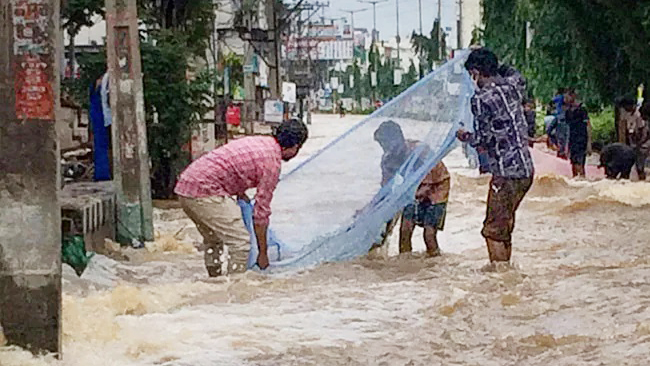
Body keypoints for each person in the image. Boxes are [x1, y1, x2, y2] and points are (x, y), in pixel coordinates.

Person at [174, 118, 309, 276]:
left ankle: (213, 282)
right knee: (240, 243)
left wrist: (240, 192)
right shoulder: (272, 164)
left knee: (214, 240)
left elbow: (231, 164)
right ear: (294, 146)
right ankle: (234, 290)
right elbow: (261, 214)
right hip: (204, 191)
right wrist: (263, 253)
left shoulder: (260, 141)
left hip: (186, 186)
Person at [457, 48, 534, 264]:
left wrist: (465, 136)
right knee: (504, 226)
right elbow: (513, 71)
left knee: (492, 232)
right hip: (526, 171)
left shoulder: (481, 99)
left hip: (505, 173)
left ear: (475, 73)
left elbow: (483, 140)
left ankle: (501, 281)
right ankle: (507, 277)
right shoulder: (513, 85)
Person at [400, 162, 450, 257]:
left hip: (437, 192)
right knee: (405, 230)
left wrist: (417, 193)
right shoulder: (397, 156)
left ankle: (434, 262)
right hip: (414, 190)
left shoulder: (429, 156)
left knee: (429, 234)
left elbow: (429, 184)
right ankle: (404, 262)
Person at [619, 97, 649, 180]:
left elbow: (642, 132)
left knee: (640, 166)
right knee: (633, 165)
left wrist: (638, 144)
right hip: (633, 141)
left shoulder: (639, 115)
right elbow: (624, 127)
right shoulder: (626, 113)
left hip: (641, 143)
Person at [564, 90, 591, 178]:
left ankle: (583, 179)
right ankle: (575, 180)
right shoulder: (568, 111)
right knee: (573, 162)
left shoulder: (582, 109)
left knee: (580, 162)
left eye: (567, 97)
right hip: (572, 139)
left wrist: (589, 143)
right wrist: (566, 145)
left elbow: (588, 125)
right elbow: (568, 129)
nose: (565, 99)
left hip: (582, 139)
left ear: (573, 96)